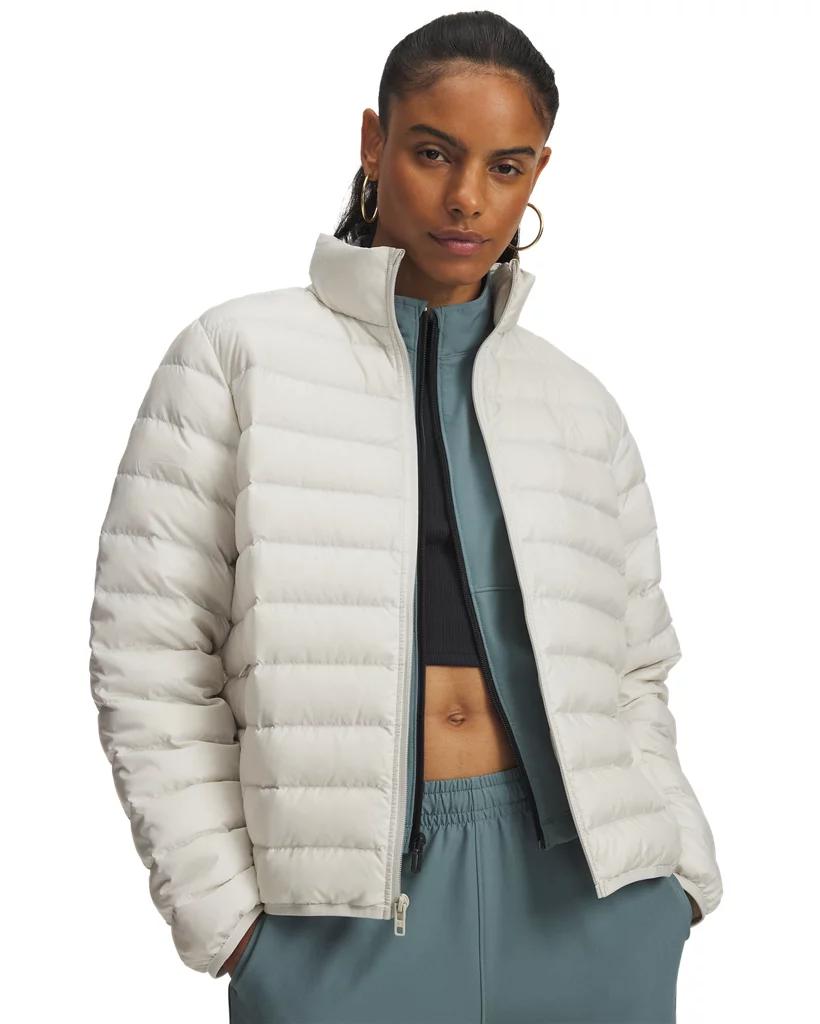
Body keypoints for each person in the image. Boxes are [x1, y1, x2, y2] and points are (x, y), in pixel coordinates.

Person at [88, 11, 722, 1023]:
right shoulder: (235, 357)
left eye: (506, 167)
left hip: (592, 902)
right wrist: (229, 922)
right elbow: (150, 656)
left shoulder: (576, 403)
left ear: (538, 173)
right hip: (336, 919)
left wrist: (675, 880)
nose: (468, 197)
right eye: (433, 153)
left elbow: (635, 666)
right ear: (373, 142)